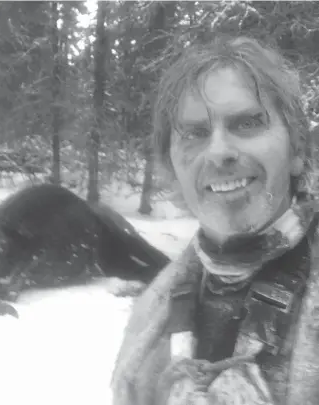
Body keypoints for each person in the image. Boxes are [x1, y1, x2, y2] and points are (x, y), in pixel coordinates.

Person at [110, 35, 319, 405]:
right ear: (172, 167)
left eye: (247, 124)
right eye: (195, 133)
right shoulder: (152, 319)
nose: (219, 151)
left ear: (297, 150)